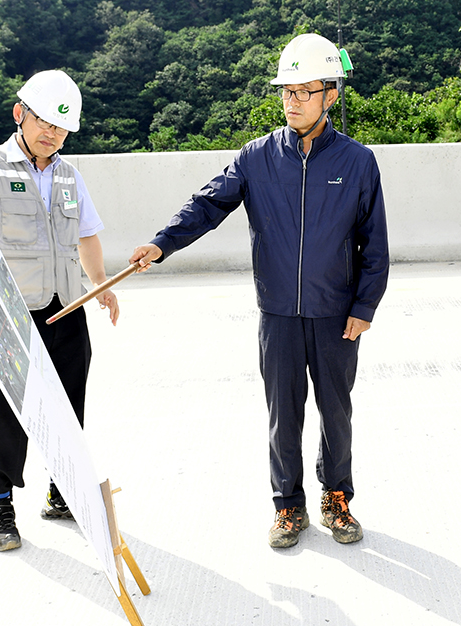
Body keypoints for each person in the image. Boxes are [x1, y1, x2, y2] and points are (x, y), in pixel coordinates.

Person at [129, 33, 389, 549]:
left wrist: (365, 306)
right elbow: (207, 205)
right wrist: (162, 244)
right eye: (286, 91)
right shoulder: (257, 157)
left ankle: (337, 499)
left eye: (304, 90)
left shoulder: (358, 163)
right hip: (278, 314)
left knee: (336, 411)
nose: (292, 100)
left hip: (336, 313)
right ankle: (288, 506)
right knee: (282, 413)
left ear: (330, 94)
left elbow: (374, 242)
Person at [0, 69, 120, 552]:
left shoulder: (68, 174)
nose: (51, 134)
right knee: (11, 415)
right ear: (21, 114)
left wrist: (100, 285)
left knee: (69, 409)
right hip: (14, 315)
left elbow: (87, 233)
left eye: (60, 129)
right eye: (43, 123)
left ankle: (62, 493)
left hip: (68, 309)